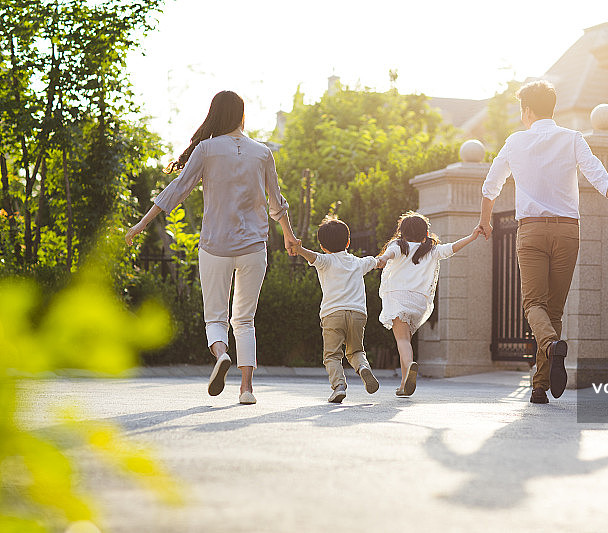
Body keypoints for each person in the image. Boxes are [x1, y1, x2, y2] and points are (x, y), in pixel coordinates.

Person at [125, 90, 298, 405]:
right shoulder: (262, 153)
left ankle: (220, 354)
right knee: (244, 319)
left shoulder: (205, 149)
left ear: (214, 115)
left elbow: (176, 190)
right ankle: (246, 389)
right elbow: (277, 202)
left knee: (215, 317)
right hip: (253, 246)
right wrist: (289, 236)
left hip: (215, 245)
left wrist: (140, 225)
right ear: (242, 116)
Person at [478, 80, 608, 405]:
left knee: (534, 305)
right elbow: (596, 171)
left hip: (532, 231)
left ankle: (548, 345)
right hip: (567, 232)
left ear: (529, 110)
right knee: (554, 309)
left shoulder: (515, 142)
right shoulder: (572, 138)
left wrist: (484, 220)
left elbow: (491, 183)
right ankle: (539, 386)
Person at [375, 212, 481, 396]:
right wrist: (472, 236)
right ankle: (403, 384)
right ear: (425, 232)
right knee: (405, 341)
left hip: (397, 297)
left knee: (401, 340)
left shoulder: (398, 245)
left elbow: (390, 254)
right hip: (418, 301)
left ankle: (409, 369)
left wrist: (383, 259)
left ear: (402, 231)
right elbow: (452, 248)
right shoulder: (431, 249)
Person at [291, 215, 382, 403]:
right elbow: (377, 261)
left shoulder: (326, 261)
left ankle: (339, 386)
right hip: (357, 314)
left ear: (323, 246)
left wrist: (299, 249)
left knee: (332, 355)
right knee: (356, 351)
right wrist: (392, 253)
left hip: (332, 315)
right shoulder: (358, 262)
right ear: (348, 241)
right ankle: (363, 368)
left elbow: (312, 256)